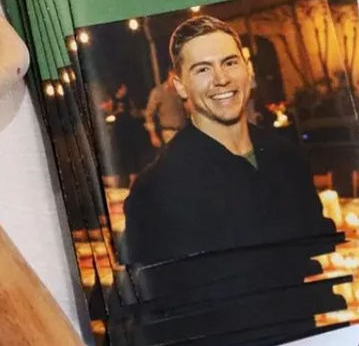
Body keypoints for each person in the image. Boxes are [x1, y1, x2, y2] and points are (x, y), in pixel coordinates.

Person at [123, 15, 334, 265]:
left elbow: (318, 249)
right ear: (180, 86)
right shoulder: (155, 190)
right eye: (203, 69)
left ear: (248, 69)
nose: (221, 78)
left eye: (230, 62)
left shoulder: (288, 157)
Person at [143, 69, 188, 148]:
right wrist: (153, 136)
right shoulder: (158, 92)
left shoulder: (181, 91)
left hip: (183, 130)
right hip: (169, 133)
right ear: (170, 74)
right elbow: (149, 115)